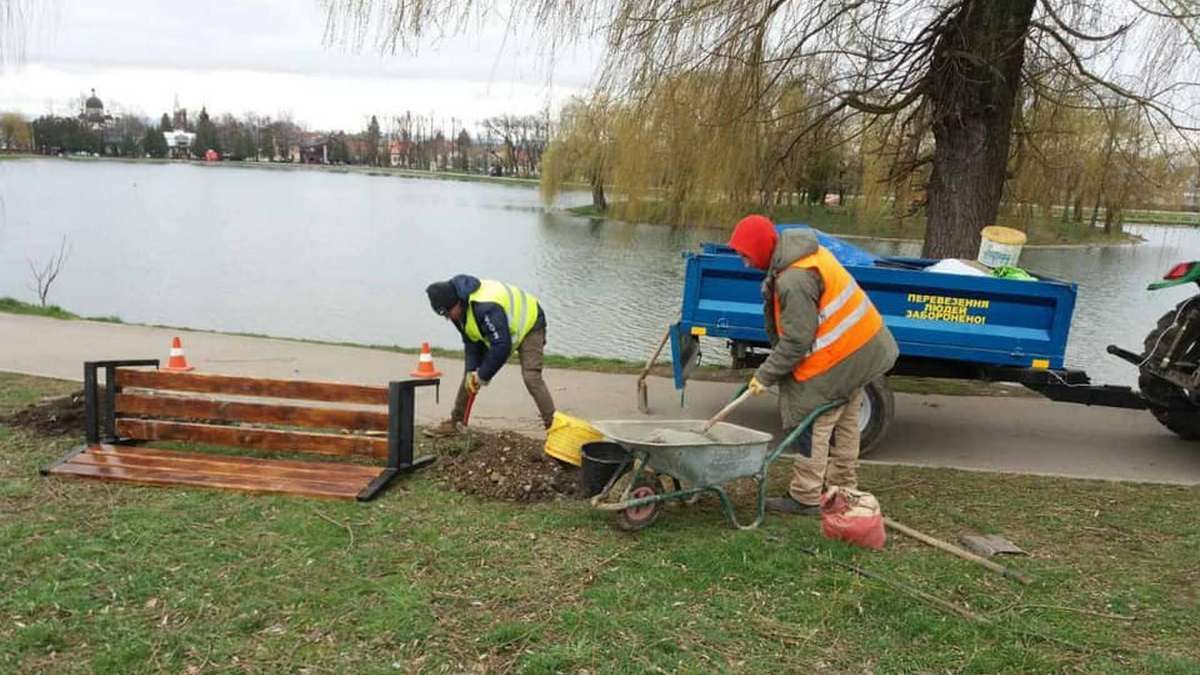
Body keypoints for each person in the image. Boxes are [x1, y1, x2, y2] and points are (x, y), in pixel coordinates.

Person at [728, 215, 898, 515]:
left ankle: (805, 496)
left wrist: (764, 376)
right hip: (863, 346)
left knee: (809, 421)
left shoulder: (794, 279)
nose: (744, 263)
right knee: (847, 418)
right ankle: (843, 487)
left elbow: (796, 342)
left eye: (745, 255)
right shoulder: (803, 252)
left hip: (843, 354)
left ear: (761, 248)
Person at [423, 275, 556, 437]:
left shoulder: (485, 307)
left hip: (530, 322)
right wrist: (473, 371)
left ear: (456, 302)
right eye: (442, 314)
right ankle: (456, 422)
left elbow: (501, 346)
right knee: (469, 377)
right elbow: (471, 343)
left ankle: (554, 428)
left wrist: (483, 375)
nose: (447, 318)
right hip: (502, 331)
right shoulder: (457, 312)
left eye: (447, 312)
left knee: (531, 376)